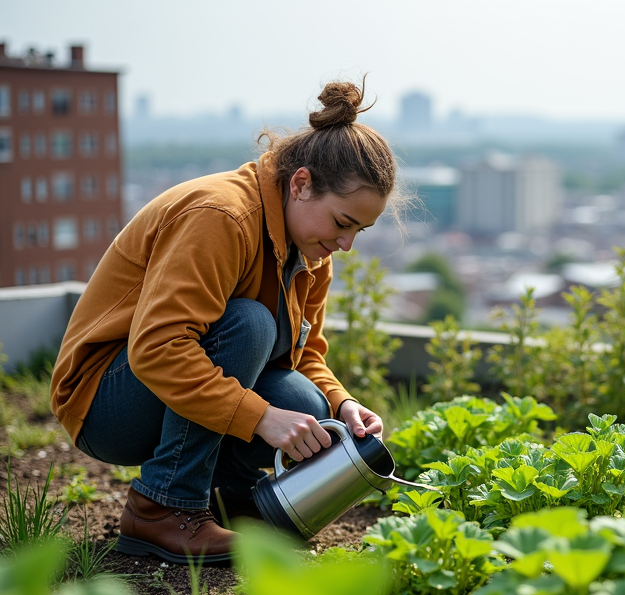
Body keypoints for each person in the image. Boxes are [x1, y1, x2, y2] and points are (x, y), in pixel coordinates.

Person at [50, 79, 398, 564]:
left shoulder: (310, 253)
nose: (347, 244)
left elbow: (305, 355)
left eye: (360, 230)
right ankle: (163, 507)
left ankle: (226, 499)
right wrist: (262, 419)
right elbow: (158, 349)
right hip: (105, 402)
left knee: (307, 402)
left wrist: (343, 405)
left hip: (160, 396)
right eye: (342, 223)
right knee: (250, 325)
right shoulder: (222, 217)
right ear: (300, 184)